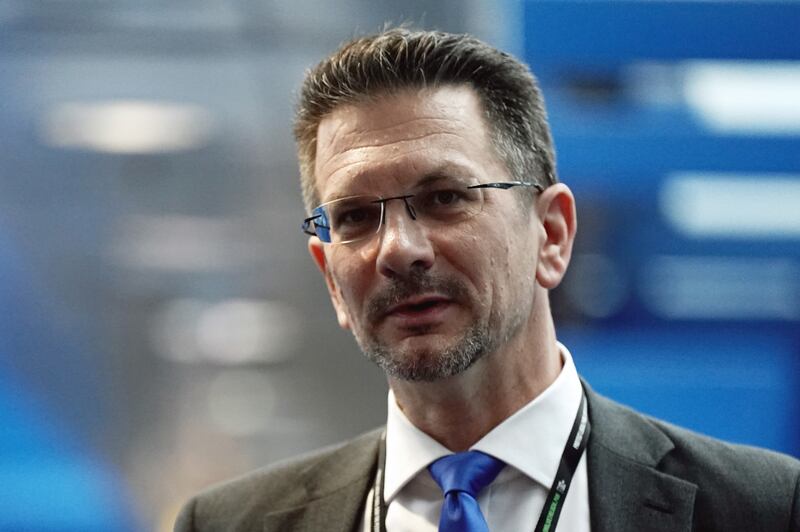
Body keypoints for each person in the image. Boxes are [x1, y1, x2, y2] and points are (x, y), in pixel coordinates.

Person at [175, 28, 800, 532]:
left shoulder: (763, 509)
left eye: (446, 196)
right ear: (332, 281)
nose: (398, 249)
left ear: (551, 235)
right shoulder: (232, 524)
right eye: (357, 217)